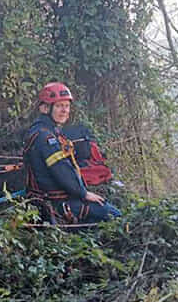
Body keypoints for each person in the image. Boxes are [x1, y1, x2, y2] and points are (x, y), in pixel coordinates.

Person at [22, 82, 120, 224]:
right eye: (59, 106)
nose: (64, 111)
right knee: (115, 215)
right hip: (56, 203)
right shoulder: (46, 137)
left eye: (67, 106)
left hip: (56, 197)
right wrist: (83, 193)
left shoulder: (46, 131)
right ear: (45, 108)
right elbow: (61, 170)